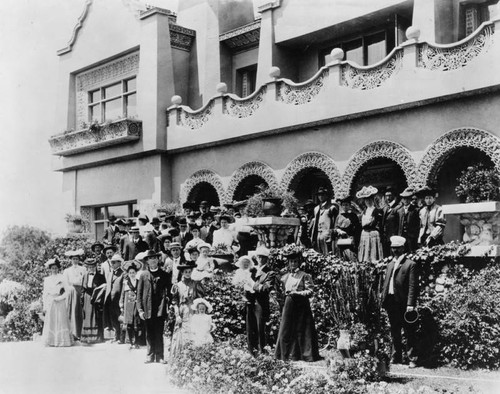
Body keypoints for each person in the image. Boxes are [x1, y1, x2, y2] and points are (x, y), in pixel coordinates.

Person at [275, 250, 321, 362]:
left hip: (301, 306)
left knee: (302, 330)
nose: (293, 264)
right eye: (291, 262)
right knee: (286, 329)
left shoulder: (304, 276)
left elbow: (310, 291)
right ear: (288, 263)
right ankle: (288, 354)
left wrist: (297, 293)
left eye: (295, 262)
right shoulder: (285, 276)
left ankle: (306, 355)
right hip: (289, 305)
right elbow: (281, 292)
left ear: (299, 263)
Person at [381, 236, 419, 368]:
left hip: (403, 303)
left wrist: (410, 304)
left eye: (397, 248)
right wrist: (383, 299)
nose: (394, 251)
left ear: (403, 248)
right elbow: (386, 284)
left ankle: (412, 358)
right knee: (394, 330)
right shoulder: (390, 264)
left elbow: (412, 286)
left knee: (409, 331)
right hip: (391, 302)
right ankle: (396, 356)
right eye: (393, 248)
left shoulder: (410, 264)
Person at [137, 250, 172, 364]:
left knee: (159, 332)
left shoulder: (164, 275)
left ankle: (160, 356)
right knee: (149, 332)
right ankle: (150, 355)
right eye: (150, 258)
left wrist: (168, 305)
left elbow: (170, 292)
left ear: (158, 260)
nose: (153, 260)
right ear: (147, 261)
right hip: (147, 308)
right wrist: (140, 310)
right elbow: (139, 294)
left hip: (160, 308)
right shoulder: (143, 275)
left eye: (155, 258)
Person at [170, 261, 205, 360]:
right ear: (182, 273)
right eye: (186, 272)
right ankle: (181, 357)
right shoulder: (177, 285)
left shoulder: (195, 284)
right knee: (182, 333)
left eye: (189, 271)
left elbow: (200, 299)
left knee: (193, 332)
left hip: (193, 311)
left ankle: (193, 357)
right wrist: (177, 315)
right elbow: (175, 302)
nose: (188, 273)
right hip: (182, 311)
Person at [246, 246, 275, 356]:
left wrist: (253, 284)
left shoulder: (270, 273)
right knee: (250, 327)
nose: (260, 259)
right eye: (258, 257)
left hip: (261, 304)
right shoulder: (251, 270)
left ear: (267, 259)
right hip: (250, 301)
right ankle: (251, 352)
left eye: (263, 257)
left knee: (261, 328)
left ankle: (262, 351)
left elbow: (265, 288)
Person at [42, 258, 74, 347]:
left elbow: (67, 291)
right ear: (50, 269)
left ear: (58, 268)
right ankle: (51, 341)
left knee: (60, 320)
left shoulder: (62, 277)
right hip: (51, 302)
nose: (54, 270)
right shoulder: (47, 279)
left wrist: (60, 298)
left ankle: (62, 340)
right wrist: (45, 306)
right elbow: (45, 293)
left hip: (60, 301)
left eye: (56, 268)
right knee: (51, 320)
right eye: (53, 268)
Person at [63, 249, 86, 341]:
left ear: (79, 260)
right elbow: (65, 283)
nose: (75, 261)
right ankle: (73, 333)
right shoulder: (67, 270)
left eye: (77, 259)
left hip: (81, 290)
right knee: (73, 312)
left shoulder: (83, 269)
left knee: (81, 311)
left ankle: (81, 332)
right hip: (72, 292)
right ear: (71, 260)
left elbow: (85, 280)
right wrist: (69, 291)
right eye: (73, 259)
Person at [81, 258, 106, 343]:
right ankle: (87, 337)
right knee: (87, 315)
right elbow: (83, 288)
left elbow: (103, 288)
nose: (91, 268)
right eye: (89, 267)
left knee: (96, 316)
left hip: (96, 297)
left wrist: (99, 299)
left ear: (95, 267)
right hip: (87, 297)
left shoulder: (101, 276)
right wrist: (82, 299)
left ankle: (98, 337)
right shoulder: (85, 275)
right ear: (87, 267)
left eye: (93, 267)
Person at [356, 185, 384, 262]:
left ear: (373, 200)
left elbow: (377, 224)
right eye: (366, 200)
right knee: (365, 254)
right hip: (364, 234)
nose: (368, 202)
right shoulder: (364, 211)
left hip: (373, 234)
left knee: (373, 253)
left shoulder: (377, 211)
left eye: (370, 199)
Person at [120, 260, 142, 349]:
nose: (132, 274)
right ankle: (131, 342)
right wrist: (121, 304)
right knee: (129, 324)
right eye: (130, 273)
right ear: (128, 274)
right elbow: (122, 294)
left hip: (136, 304)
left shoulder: (138, 281)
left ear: (136, 273)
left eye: (133, 272)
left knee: (136, 323)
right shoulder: (125, 283)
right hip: (127, 304)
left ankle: (136, 341)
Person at [310, 187, 338, 255]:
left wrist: (332, 234)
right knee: (319, 254)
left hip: (327, 235)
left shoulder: (331, 208)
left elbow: (335, 222)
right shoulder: (316, 209)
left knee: (328, 254)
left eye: (323, 195)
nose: (321, 197)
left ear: (326, 196)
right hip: (317, 235)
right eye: (319, 195)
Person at [103, 254, 124, 343]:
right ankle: (116, 336)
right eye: (111, 262)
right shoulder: (110, 273)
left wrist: (121, 300)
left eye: (114, 262)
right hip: (110, 299)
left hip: (118, 299)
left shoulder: (123, 273)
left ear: (119, 263)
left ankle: (122, 338)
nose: (112, 264)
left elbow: (123, 288)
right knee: (113, 318)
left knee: (120, 318)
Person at [334, 196, 361, 261]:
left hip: (350, 238)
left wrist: (354, 238)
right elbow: (335, 227)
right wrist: (339, 231)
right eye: (343, 205)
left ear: (349, 206)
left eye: (346, 205)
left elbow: (357, 229)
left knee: (351, 256)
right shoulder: (339, 216)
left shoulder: (353, 216)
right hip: (341, 239)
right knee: (341, 257)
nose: (345, 207)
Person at [381, 187, 403, 257]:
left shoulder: (398, 207)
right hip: (385, 237)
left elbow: (400, 223)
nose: (388, 198)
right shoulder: (385, 208)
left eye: (390, 195)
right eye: (386, 195)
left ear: (394, 196)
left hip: (394, 236)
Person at [399, 188, 420, 253]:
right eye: (404, 198)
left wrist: (414, 235)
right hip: (402, 236)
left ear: (410, 199)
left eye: (407, 198)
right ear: (402, 200)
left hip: (411, 236)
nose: (406, 200)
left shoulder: (415, 210)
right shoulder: (399, 211)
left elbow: (417, 224)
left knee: (412, 252)